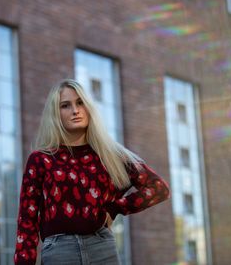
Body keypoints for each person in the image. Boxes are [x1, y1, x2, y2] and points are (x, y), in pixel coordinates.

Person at [14, 79, 170, 265]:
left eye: (80, 102)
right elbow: (27, 220)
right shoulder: (41, 159)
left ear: (89, 107)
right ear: (55, 113)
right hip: (59, 251)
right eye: (65, 105)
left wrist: (116, 208)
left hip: (102, 247)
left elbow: (159, 188)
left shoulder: (112, 155)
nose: (75, 110)